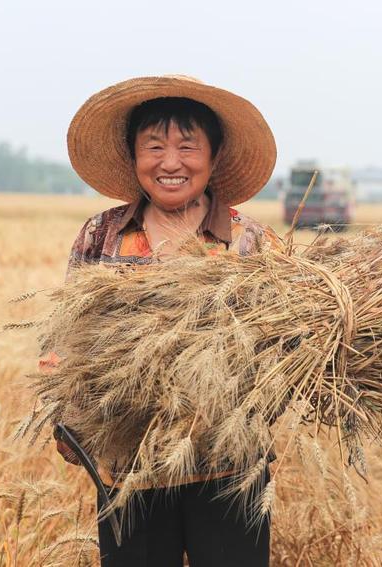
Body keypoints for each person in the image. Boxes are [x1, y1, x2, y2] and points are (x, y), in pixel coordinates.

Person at [50, 75, 282, 567]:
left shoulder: (251, 244)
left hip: (228, 471)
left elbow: (284, 353)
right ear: (134, 158)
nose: (170, 162)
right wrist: (62, 382)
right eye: (153, 146)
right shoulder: (103, 235)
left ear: (214, 157)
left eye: (187, 146)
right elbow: (67, 332)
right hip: (127, 470)